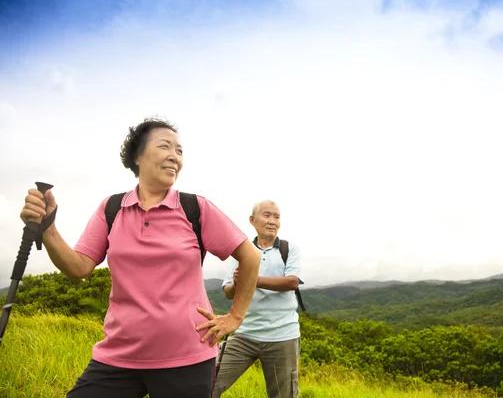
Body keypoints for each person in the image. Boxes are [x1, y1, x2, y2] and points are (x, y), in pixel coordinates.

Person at [19, 118, 261, 398]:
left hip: (187, 358)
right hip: (118, 356)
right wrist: (47, 228)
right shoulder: (112, 208)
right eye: (164, 147)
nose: (175, 156)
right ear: (138, 156)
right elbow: (79, 266)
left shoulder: (195, 208)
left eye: (179, 151)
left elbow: (250, 257)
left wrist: (235, 317)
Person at [212, 200, 304, 398]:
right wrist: (238, 283)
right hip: (244, 333)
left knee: (283, 395)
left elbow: (292, 282)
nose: (272, 221)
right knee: (209, 385)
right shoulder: (241, 252)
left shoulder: (289, 249)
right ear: (253, 220)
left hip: (283, 336)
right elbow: (228, 292)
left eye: (276, 217)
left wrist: (250, 278)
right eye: (267, 215)